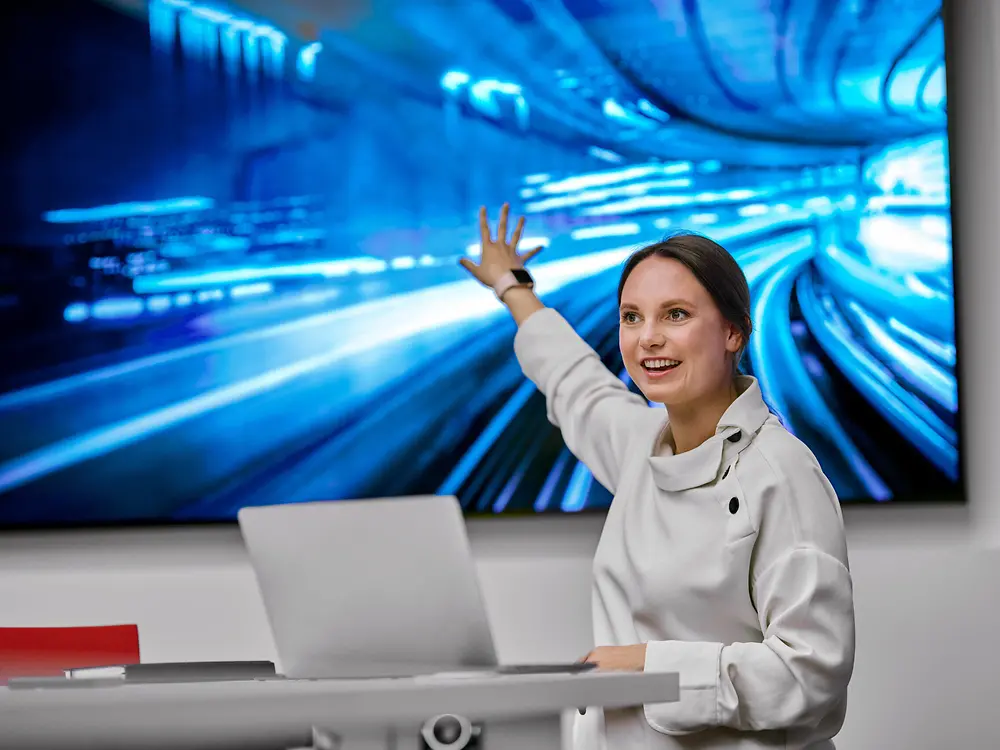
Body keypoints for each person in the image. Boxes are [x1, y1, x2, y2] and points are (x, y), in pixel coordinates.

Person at [459, 204, 856, 750]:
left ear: (733, 332)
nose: (647, 338)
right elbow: (574, 380)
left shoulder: (781, 474)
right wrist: (511, 283)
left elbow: (811, 675)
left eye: (675, 315)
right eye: (631, 317)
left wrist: (647, 671)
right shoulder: (639, 443)